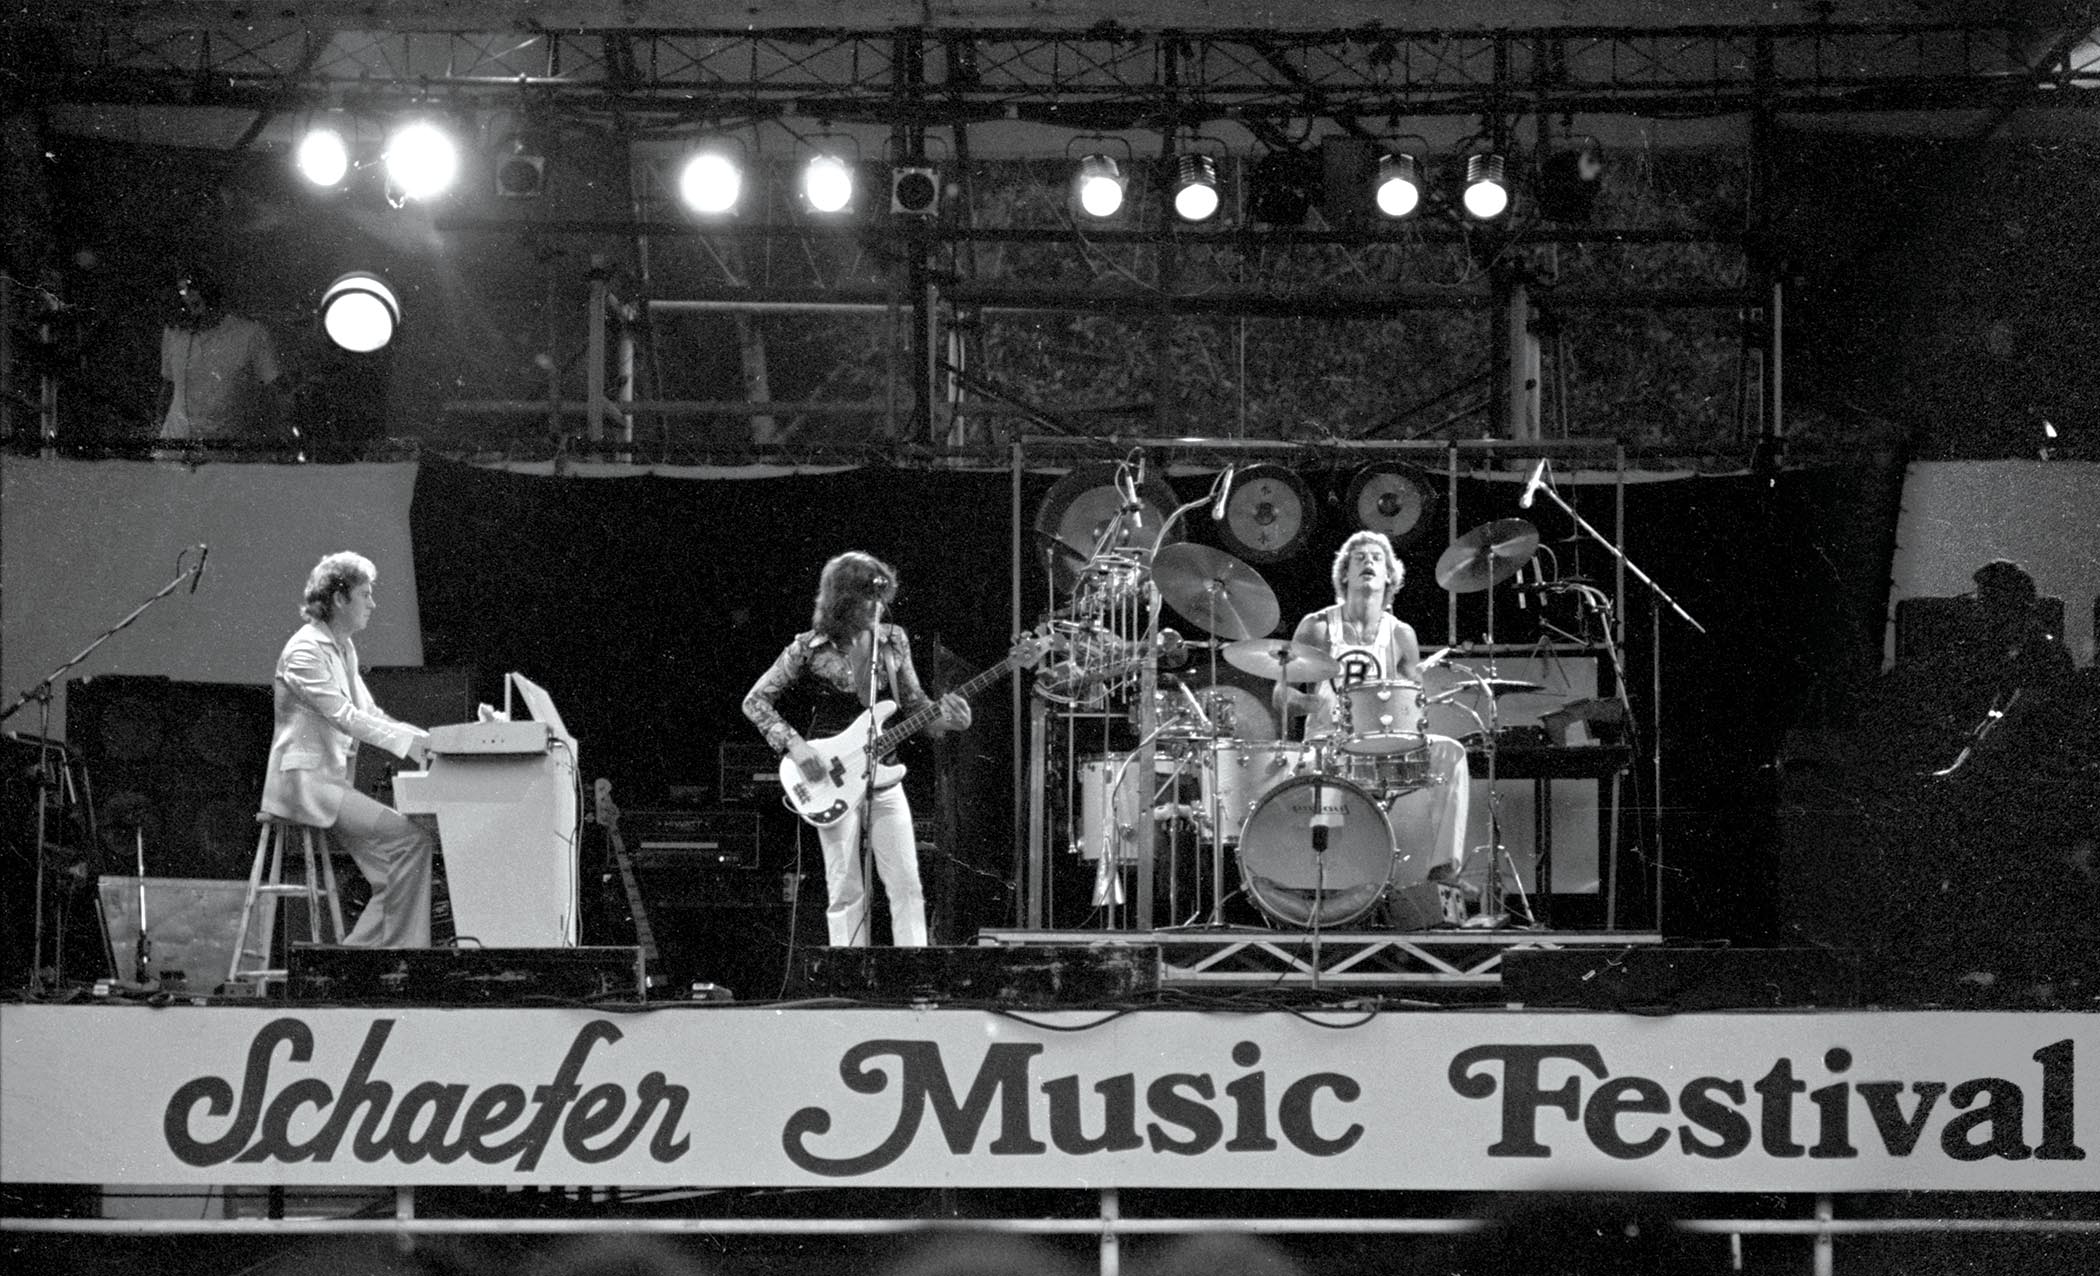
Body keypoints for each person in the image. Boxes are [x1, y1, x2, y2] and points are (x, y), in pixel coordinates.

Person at [743, 552, 970, 947]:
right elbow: (755, 701)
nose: (879, 606)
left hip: (886, 771)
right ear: (844, 599)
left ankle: (913, 974)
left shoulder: (893, 639)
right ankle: (849, 978)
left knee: (906, 883)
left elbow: (916, 706)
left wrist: (950, 721)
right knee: (845, 888)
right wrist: (796, 747)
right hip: (829, 776)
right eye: (870, 597)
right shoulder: (808, 648)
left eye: (883, 597)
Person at [1270, 529, 1470, 883]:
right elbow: (1279, 695)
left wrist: (1407, 711)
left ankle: (1443, 873)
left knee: (1451, 753)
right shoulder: (1317, 626)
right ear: (1344, 573)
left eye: (1378, 559)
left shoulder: (1400, 634)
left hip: (1383, 748)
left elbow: (1416, 703)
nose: (1369, 563)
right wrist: (1308, 701)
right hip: (1327, 747)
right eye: (1360, 558)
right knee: (1324, 809)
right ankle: (1327, 884)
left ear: (1391, 577)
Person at [261, 552, 436, 948]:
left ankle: (377, 956)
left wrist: (429, 741)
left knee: (408, 849)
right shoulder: (304, 651)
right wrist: (412, 746)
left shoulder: (343, 648)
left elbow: (369, 712)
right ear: (339, 599)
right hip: (304, 783)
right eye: (365, 594)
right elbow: (344, 716)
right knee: (409, 842)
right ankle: (366, 956)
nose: (372, 604)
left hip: (330, 782)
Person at [156, 263, 284, 447]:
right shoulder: (174, 333)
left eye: (191, 289)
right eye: (181, 291)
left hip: (226, 452)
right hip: (175, 448)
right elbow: (168, 386)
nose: (187, 297)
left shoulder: (250, 334)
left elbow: (275, 389)